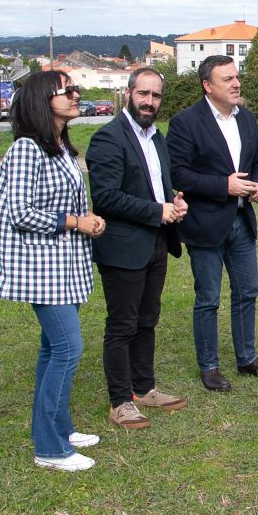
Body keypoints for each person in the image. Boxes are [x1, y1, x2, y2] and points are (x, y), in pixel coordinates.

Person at [0, 70, 105, 471]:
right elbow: (19, 212)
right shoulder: (26, 149)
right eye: (67, 91)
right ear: (42, 100)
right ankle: (50, 449)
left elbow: (62, 200)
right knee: (68, 347)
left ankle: (59, 428)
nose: (76, 96)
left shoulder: (60, 147)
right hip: (40, 269)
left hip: (62, 267)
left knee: (52, 348)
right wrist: (75, 222)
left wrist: (87, 218)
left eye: (76, 90)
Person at [167, 55, 258, 392]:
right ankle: (210, 367)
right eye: (227, 79)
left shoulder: (245, 118)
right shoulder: (185, 122)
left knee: (247, 291)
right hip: (205, 224)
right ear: (207, 85)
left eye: (236, 77)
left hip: (241, 220)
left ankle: (247, 358)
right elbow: (177, 173)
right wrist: (223, 186)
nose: (236, 84)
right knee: (208, 298)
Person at [86, 67, 189, 429]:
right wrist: (156, 210)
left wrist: (174, 201)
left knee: (147, 320)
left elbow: (159, 185)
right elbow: (106, 197)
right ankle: (119, 402)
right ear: (129, 93)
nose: (149, 101)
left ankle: (143, 389)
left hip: (156, 243)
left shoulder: (156, 138)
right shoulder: (108, 138)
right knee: (122, 324)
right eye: (143, 94)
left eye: (156, 95)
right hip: (122, 248)